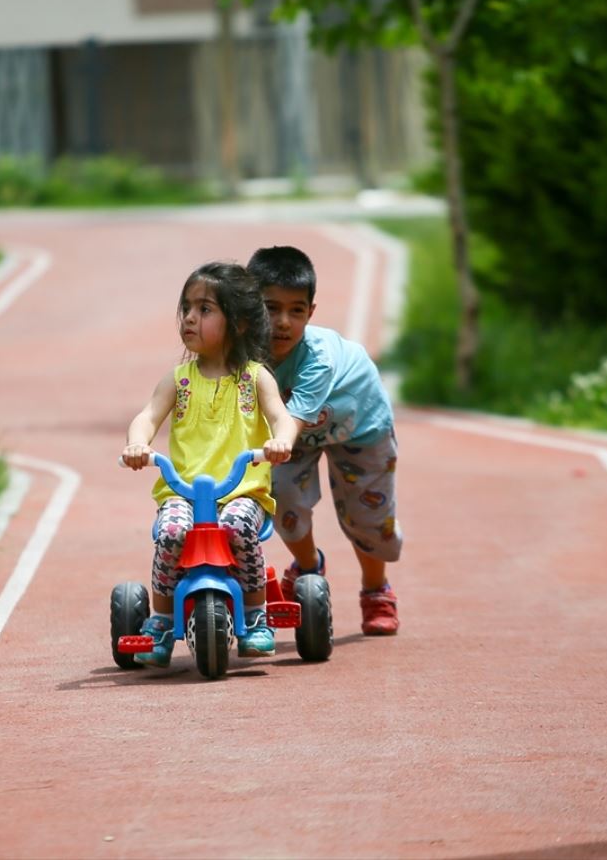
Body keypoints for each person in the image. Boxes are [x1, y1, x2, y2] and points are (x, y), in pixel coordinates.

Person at [122, 262, 298, 667]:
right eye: (186, 308)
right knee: (170, 533)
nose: (189, 317)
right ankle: (163, 620)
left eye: (204, 310)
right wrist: (137, 444)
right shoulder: (179, 379)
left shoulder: (256, 378)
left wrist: (280, 442)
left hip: (241, 491)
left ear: (236, 323)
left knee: (236, 526)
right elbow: (148, 416)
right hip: (183, 491)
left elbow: (281, 416)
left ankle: (255, 616)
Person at [245, 245, 402, 636]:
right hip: (291, 433)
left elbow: (294, 419)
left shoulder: (318, 357)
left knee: (367, 517)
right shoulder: (240, 352)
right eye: (270, 308)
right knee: (278, 494)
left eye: (295, 311)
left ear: (311, 313)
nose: (282, 322)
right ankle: (309, 569)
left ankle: (375, 589)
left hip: (358, 427)